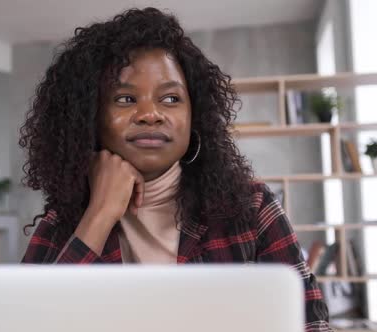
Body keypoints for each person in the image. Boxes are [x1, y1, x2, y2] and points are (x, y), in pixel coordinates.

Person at [19, 7, 332, 331]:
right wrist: (98, 216)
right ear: (91, 118)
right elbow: (29, 323)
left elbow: (311, 325)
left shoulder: (252, 209)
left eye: (170, 99)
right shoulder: (63, 224)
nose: (150, 114)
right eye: (125, 99)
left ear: (193, 116)